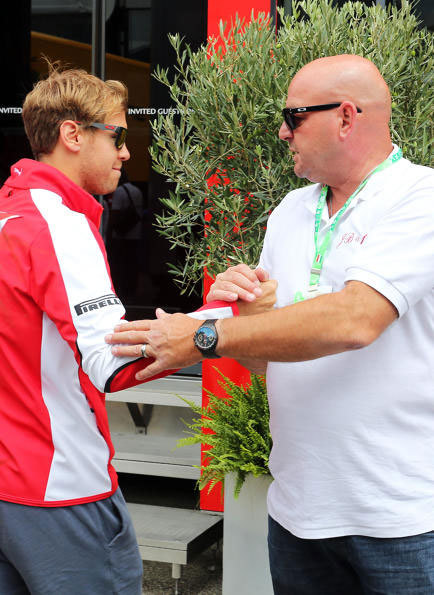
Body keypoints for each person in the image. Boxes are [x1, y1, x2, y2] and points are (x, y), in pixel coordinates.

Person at [106, 54, 434, 594]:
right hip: (297, 511)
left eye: (294, 116)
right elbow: (270, 361)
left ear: (347, 117)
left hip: (403, 520)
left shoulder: (417, 197)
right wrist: (250, 317)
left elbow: (356, 319)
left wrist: (205, 336)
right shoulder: (290, 210)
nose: (282, 132)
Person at [0, 63, 274, 594]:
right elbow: (113, 364)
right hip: (60, 491)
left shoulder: (11, 212)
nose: (127, 152)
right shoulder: (58, 225)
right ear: (73, 135)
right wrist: (228, 319)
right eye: (119, 134)